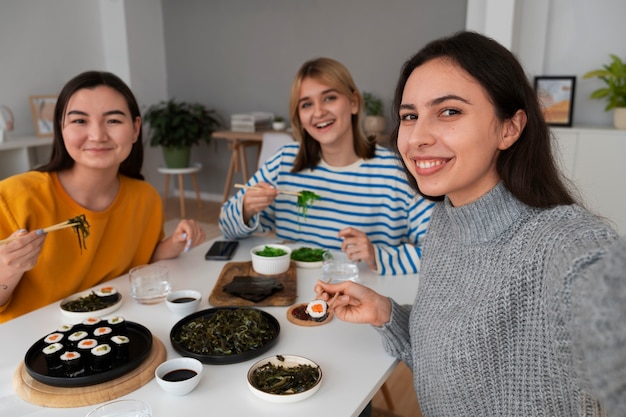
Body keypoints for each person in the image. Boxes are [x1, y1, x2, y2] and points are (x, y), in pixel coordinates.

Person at [315, 31, 621, 416]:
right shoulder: (445, 219)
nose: (417, 138)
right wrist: (387, 313)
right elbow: (452, 366)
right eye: (410, 116)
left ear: (509, 128)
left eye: (449, 111)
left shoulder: (567, 245)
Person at [0, 71, 206, 323]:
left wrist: (173, 243)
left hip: (115, 330)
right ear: (61, 129)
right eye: (79, 121)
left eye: (113, 121)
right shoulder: (13, 198)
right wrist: (6, 270)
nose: (97, 135)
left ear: (135, 129)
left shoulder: (145, 198)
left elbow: (139, 263)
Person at [219, 57, 434, 275]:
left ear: (353, 103)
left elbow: (439, 251)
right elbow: (226, 227)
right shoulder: (284, 163)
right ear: (299, 116)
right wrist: (246, 208)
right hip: (293, 292)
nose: (318, 112)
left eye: (329, 98)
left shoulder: (395, 172)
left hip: (360, 295)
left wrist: (377, 255)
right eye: (306, 104)